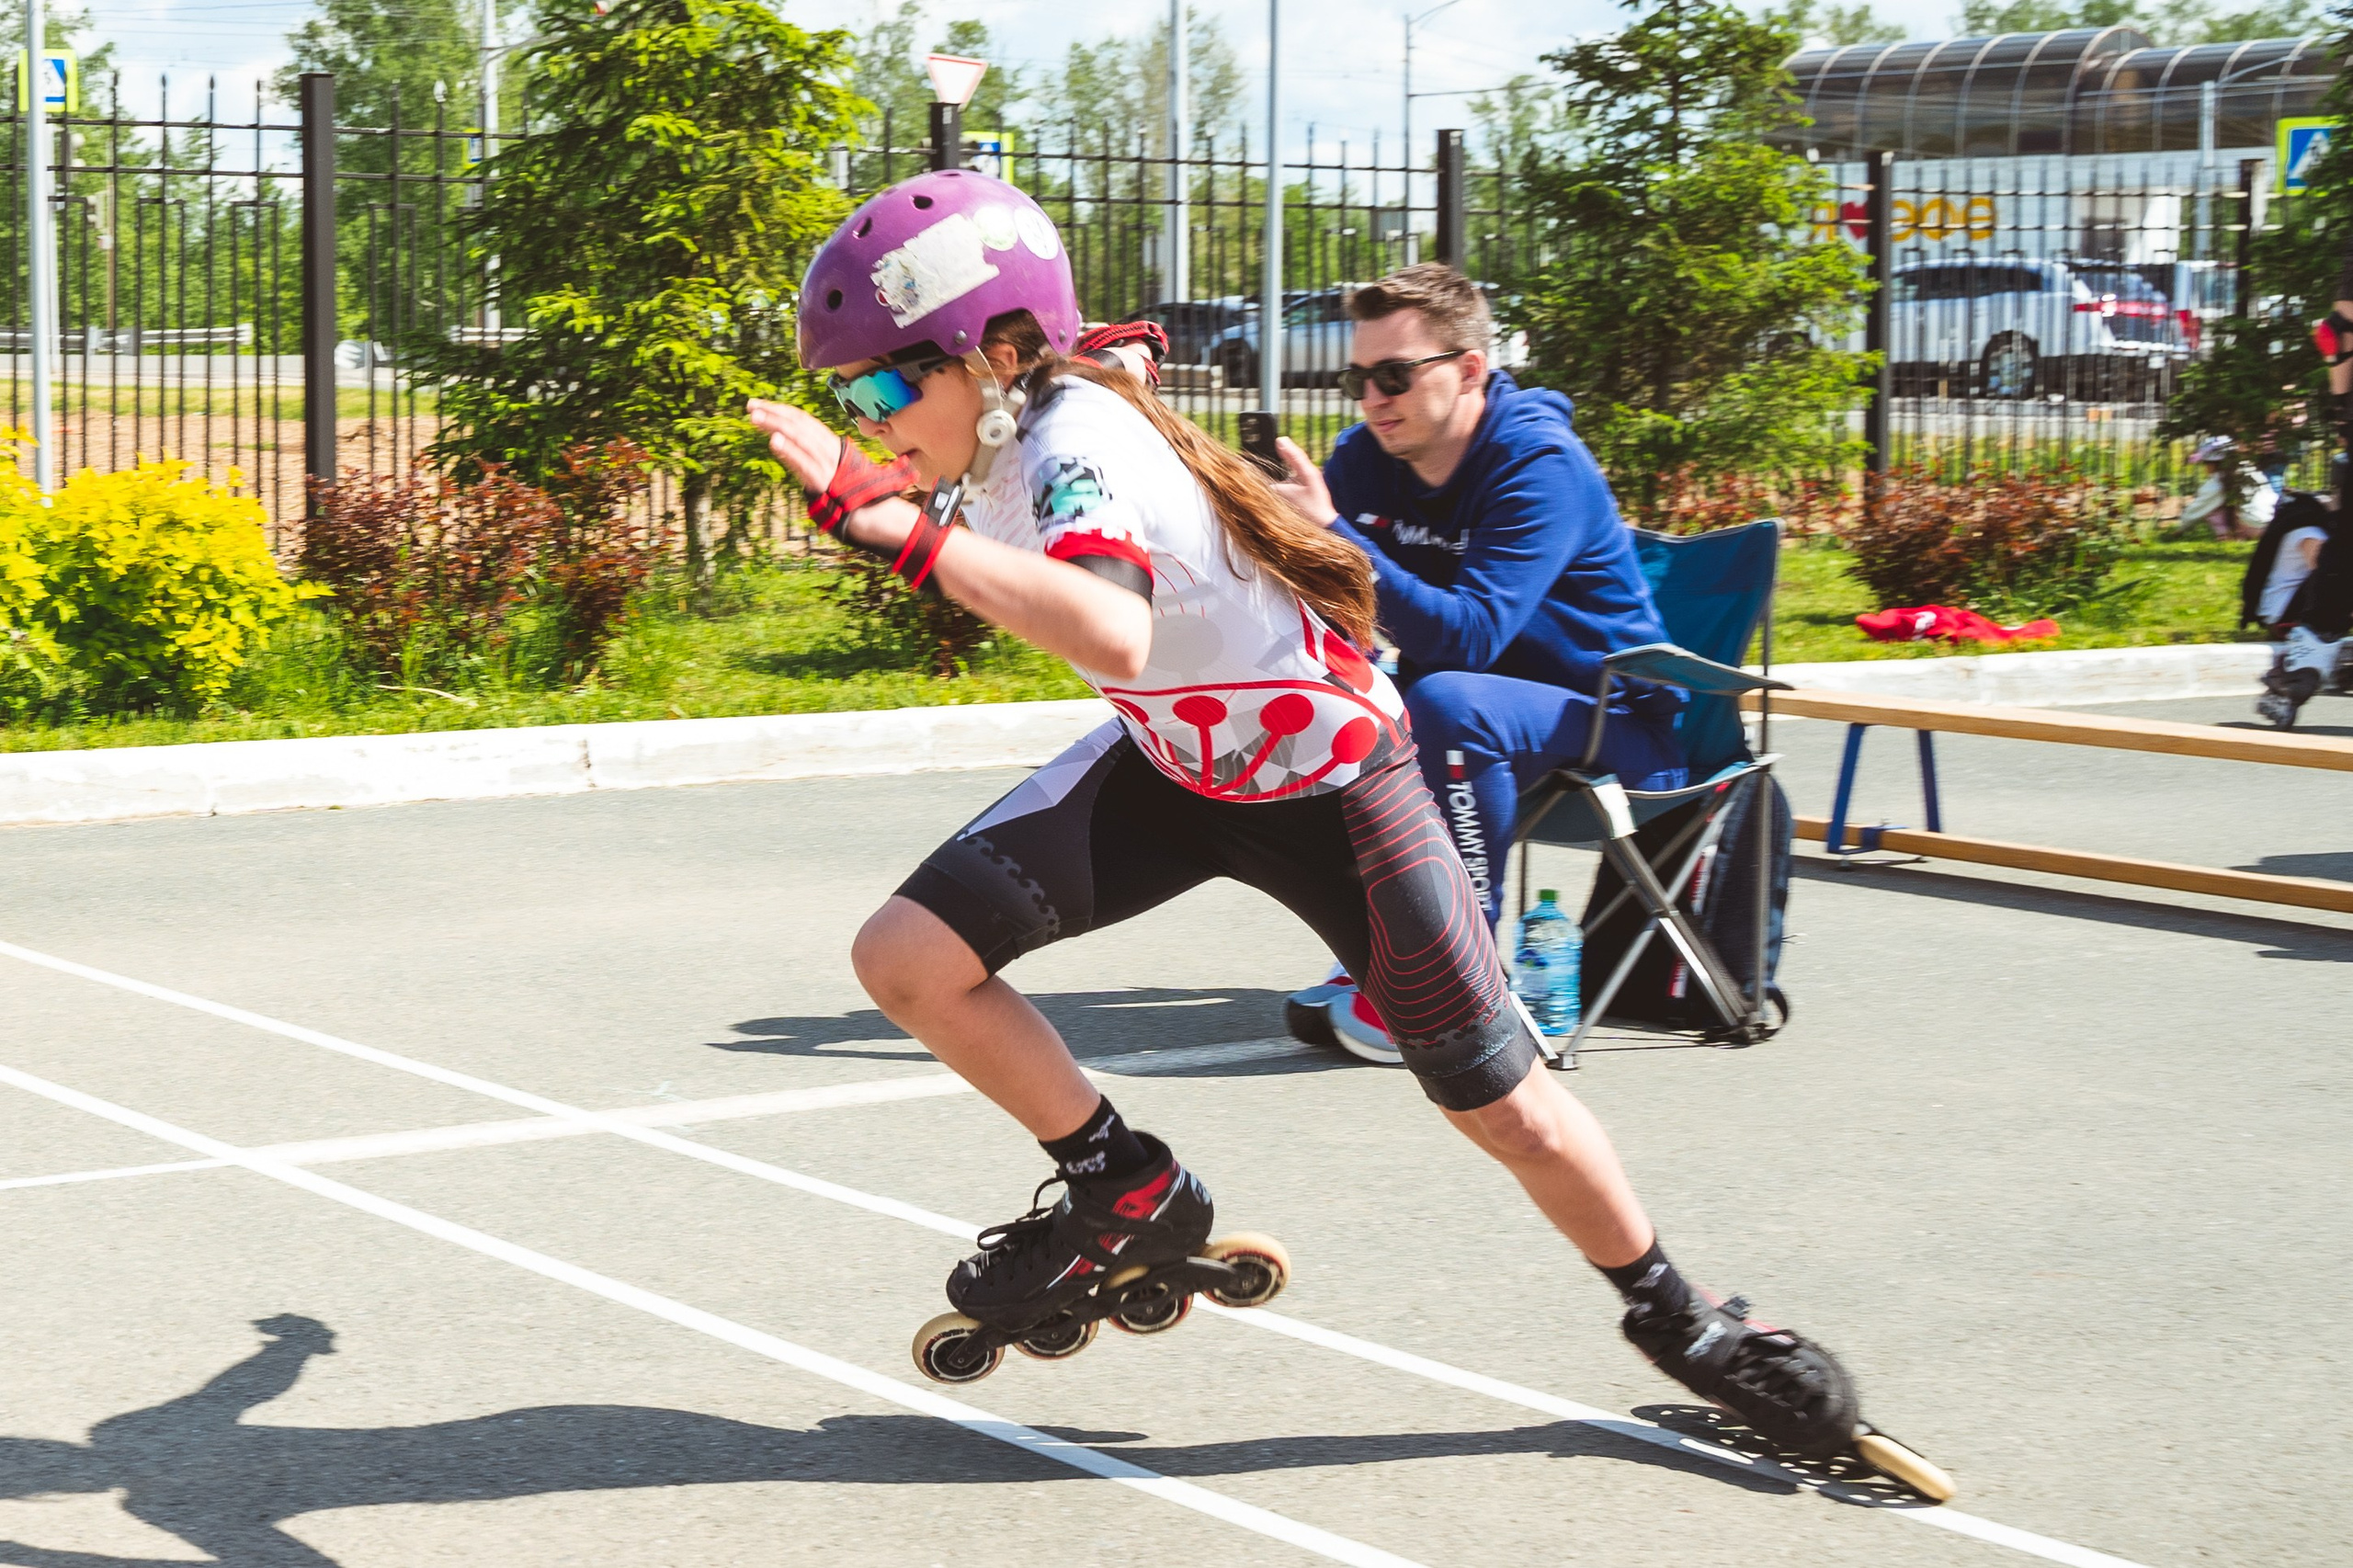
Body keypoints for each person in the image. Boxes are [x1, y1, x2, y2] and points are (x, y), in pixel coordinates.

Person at [745, 169, 1931, 1486]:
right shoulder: (1028, 419)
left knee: (1504, 1109)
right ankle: (1126, 1183)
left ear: (1001, 352)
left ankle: (1684, 1317)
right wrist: (897, 508)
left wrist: (894, 528)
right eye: (855, 398)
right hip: (1178, 763)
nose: (874, 420)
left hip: (1336, 785)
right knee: (907, 958)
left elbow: (1110, 624)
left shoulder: (1076, 434)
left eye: (883, 390)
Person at [1263, 264, 1688, 1062]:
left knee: (1453, 702)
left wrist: (1337, 541)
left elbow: (1471, 636)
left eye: (1394, 375)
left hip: (1611, 719)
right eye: (1359, 378)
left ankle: (1456, 984)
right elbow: (1345, 614)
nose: (1372, 398)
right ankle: (1383, 954)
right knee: (1325, 696)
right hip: (1471, 711)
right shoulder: (1365, 459)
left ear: (1467, 371)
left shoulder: (1539, 463)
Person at [2179, 436, 2278, 541]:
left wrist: (2180, 529)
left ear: (2212, 463)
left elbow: (2195, 510)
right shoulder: (2250, 469)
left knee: (2211, 509)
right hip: (2269, 524)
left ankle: (2225, 536)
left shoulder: (2217, 483)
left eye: (2205, 463)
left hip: (2251, 526)